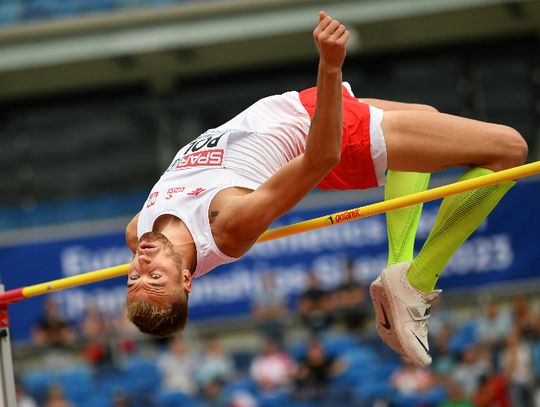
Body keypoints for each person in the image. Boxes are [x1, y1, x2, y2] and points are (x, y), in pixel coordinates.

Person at [124, 10, 528, 370]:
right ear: (187, 281)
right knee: (509, 150)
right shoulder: (226, 225)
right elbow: (321, 159)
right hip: (324, 134)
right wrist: (330, 66)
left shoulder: (138, 230)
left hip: (294, 108)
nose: (141, 266)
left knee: (426, 118)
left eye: (133, 279)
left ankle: (399, 270)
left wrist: (152, 284)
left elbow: (151, 261)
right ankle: (416, 280)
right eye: (155, 277)